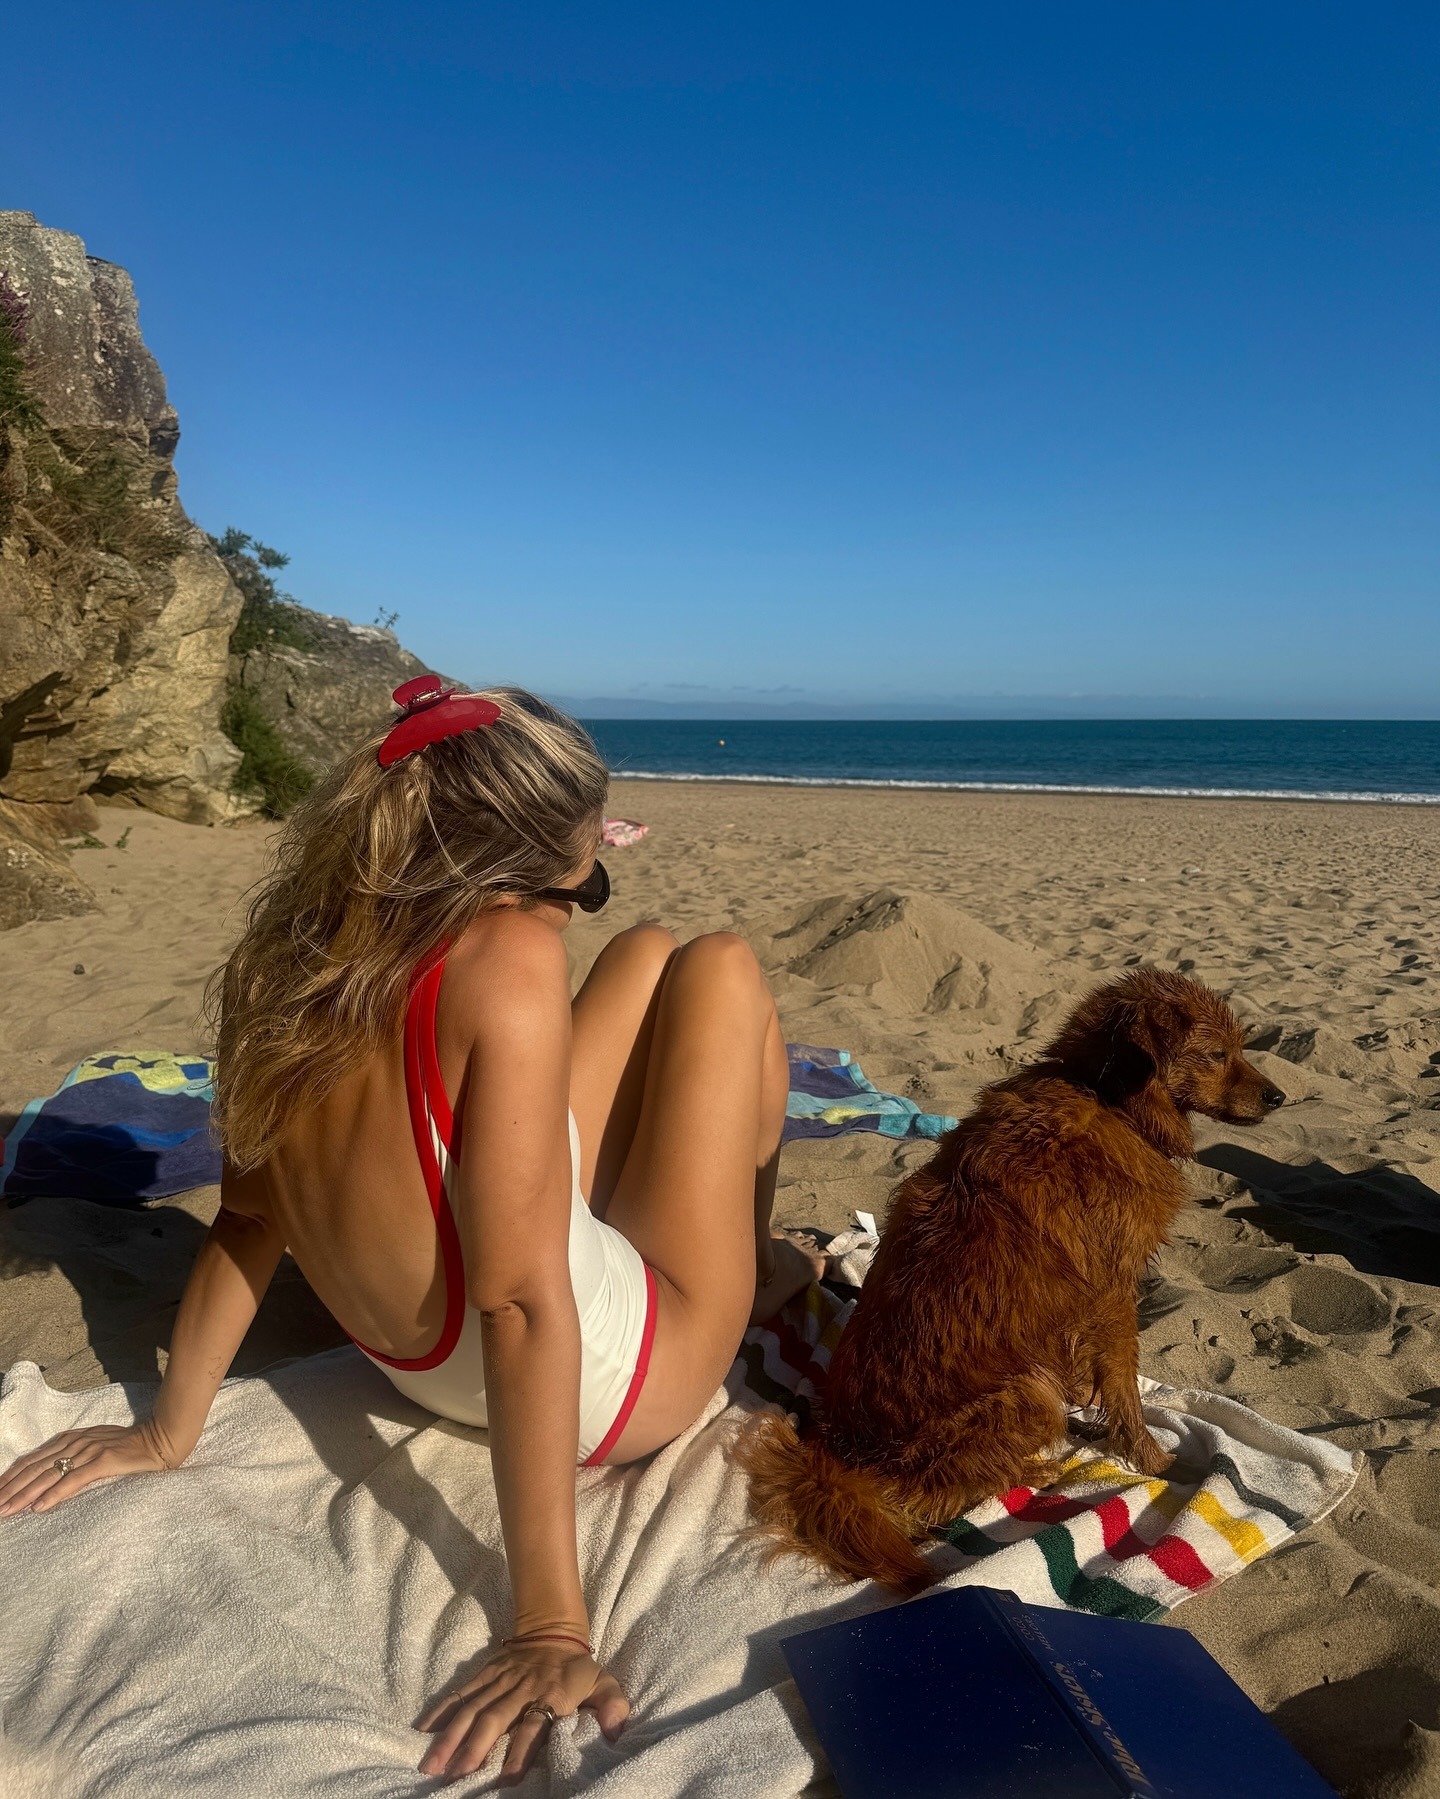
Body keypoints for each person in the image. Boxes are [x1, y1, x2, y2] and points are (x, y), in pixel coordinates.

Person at [0, 681, 821, 1783]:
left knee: (648, 951)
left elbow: (245, 1222)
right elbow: (524, 1302)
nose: (581, 903)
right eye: (583, 879)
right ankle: (751, 1272)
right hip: (612, 1380)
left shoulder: (289, 963)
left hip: (421, 1366)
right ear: (510, 879)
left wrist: (168, 1433)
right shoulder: (512, 966)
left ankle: (717, 1241)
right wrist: (551, 1622)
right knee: (718, 966)